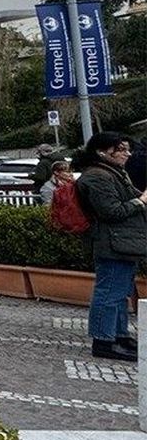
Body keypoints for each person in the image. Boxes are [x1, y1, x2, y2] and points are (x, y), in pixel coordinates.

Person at [74, 132, 147, 362]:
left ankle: (119, 335)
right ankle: (104, 340)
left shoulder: (114, 173)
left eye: (127, 149)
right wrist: (140, 201)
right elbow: (112, 211)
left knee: (120, 292)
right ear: (103, 152)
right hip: (111, 241)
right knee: (109, 292)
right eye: (121, 149)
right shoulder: (97, 176)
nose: (127, 154)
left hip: (123, 241)